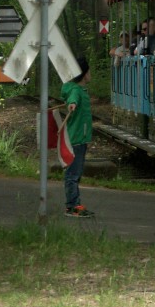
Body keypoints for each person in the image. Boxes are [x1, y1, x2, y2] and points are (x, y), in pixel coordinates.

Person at [62, 56, 95, 218]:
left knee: (75, 173)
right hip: (77, 138)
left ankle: (74, 203)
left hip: (79, 137)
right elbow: (73, 98)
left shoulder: (78, 89)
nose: (90, 74)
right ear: (84, 73)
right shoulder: (76, 90)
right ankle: (72, 206)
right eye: (88, 71)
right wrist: (72, 104)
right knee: (73, 174)